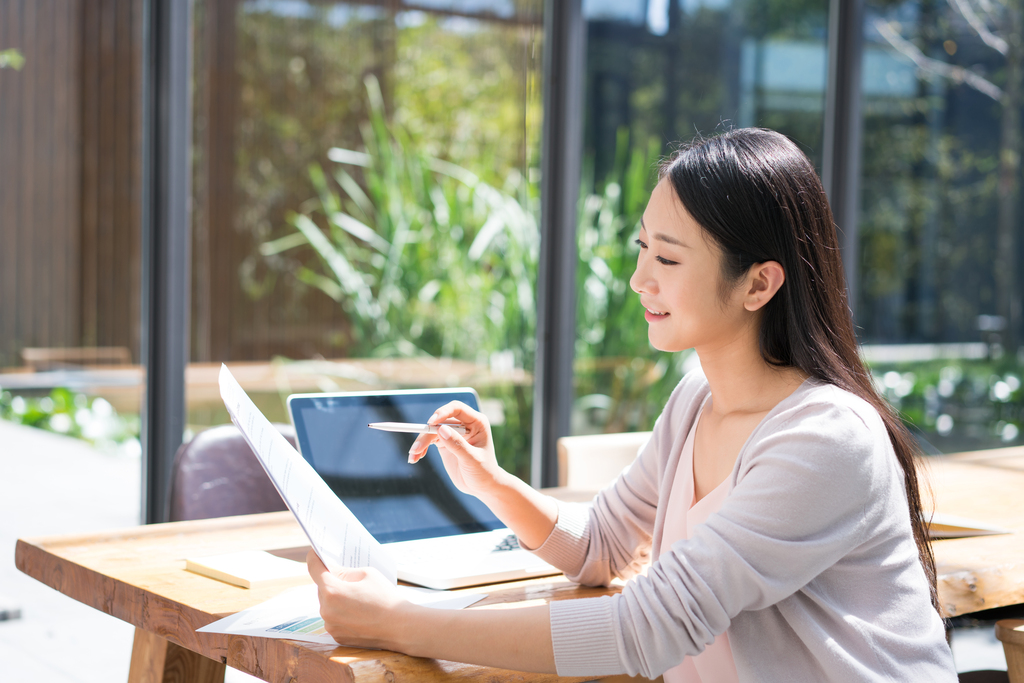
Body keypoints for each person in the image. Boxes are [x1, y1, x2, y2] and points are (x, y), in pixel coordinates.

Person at [306, 128, 958, 682]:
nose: (639, 278)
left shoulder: (828, 437)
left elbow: (648, 626)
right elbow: (599, 546)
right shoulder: (694, 403)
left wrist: (393, 619)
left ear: (758, 282)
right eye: (643, 247)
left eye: (668, 258)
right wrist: (491, 482)